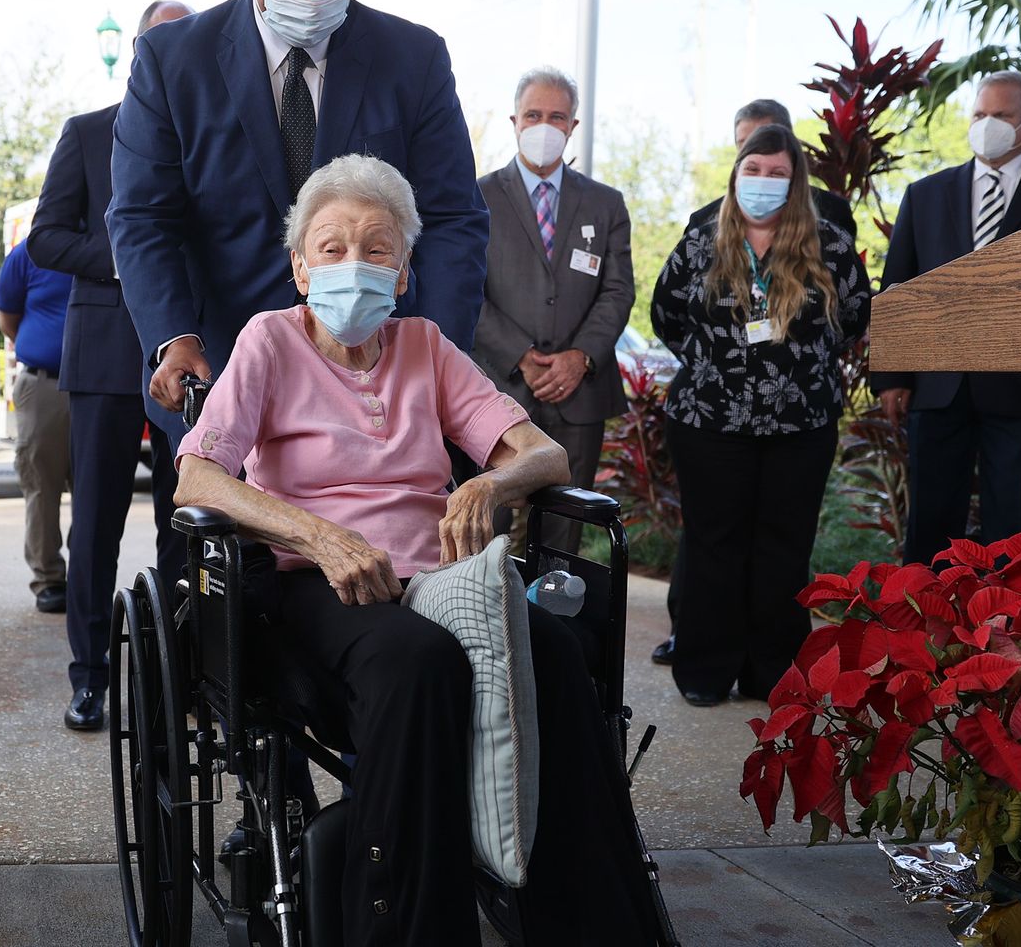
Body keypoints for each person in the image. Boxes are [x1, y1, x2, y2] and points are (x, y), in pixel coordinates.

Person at [176, 154, 659, 945]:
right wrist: (319, 534)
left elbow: (544, 455)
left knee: (555, 656)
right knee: (417, 663)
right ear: (301, 268)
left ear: (403, 273)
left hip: (443, 585)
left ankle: (593, 925)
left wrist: (487, 488)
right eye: (331, 248)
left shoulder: (426, 345)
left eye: (377, 248)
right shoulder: (269, 341)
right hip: (319, 585)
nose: (354, 264)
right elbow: (197, 478)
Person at [108, 0, 490, 430]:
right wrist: (175, 338)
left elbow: (454, 219)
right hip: (221, 376)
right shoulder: (173, 62)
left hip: (380, 382)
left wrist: (436, 358)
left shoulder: (414, 60)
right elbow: (142, 217)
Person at [651, 124, 871, 707]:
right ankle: (703, 669)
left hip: (800, 426)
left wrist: (792, 375)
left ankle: (773, 672)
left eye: (778, 173)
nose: (764, 183)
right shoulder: (702, 240)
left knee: (783, 548)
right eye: (755, 170)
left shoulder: (830, 243)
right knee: (714, 546)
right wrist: (718, 370)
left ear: (796, 183)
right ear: (735, 175)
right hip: (707, 423)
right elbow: (666, 316)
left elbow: (853, 320)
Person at [26, 0, 194, 730]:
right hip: (104, 354)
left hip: (191, 357)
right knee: (95, 525)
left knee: (186, 521)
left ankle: (183, 678)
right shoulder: (90, 133)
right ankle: (90, 676)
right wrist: (132, 264)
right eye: (159, 43)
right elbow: (47, 239)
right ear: (135, 51)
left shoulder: (211, 135)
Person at [873, 71, 1021, 566]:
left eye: (1001, 116)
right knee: (930, 531)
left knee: (1016, 533)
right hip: (938, 387)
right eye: (980, 115)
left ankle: (1013, 634)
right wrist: (891, 375)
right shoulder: (925, 195)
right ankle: (928, 634)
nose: (988, 125)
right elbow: (898, 289)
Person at [471, 66, 633, 553]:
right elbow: (463, 291)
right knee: (487, 527)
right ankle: (486, 626)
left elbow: (618, 290)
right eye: (534, 115)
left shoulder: (606, 204)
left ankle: (556, 628)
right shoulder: (474, 198)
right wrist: (519, 354)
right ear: (515, 121)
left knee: (563, 538)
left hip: (578, 394)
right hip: (497, 391)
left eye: (557, 116)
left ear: (573, 126)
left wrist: (578, 357)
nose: (545, 125)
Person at [0, 240, 72, 615]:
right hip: (44, 385)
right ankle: (49, 580)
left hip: (102, 388)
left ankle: (89, 574)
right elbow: (7, 317)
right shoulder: (30, 252)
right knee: (42, 486)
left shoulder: (111, 242)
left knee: (98, 491)